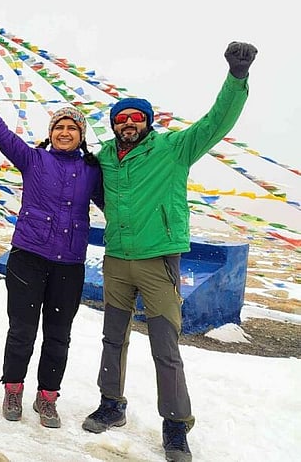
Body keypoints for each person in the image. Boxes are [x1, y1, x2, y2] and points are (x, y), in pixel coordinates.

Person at [81, 41, 257, 462]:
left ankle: (176, 427)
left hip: (159, 260)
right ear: (113, 125)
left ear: (148, 122)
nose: (128, 124)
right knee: (112, 338)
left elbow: (216, 122)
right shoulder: (104, 157)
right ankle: (112, 405)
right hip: (118, 260)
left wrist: (237, 78)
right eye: (120, 119)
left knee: (165, 347)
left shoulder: (174, 149)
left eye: (136, 118)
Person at [0, 68, 104, 428]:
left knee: (58, 335)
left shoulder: (92, 170)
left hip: (69, 265)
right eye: (59, 127)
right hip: (28, 258)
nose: (65, 132)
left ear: (81, 135)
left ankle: (47, 398)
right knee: (21, 330)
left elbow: (118, 206)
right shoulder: (34, 160)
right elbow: (2, 135)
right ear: (50, 134)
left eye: (72, 128)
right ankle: (13, 389)